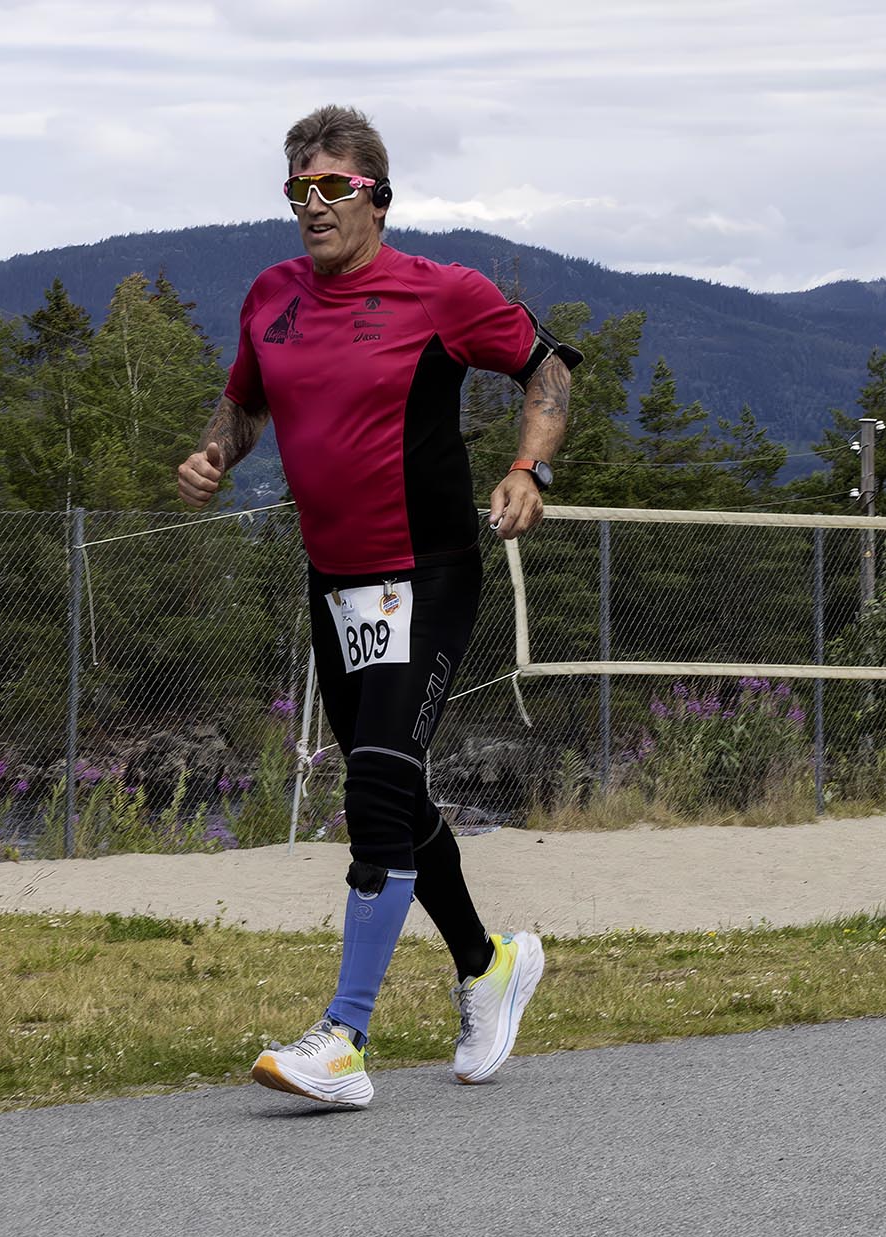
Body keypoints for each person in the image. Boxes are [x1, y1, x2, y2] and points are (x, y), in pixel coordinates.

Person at [176, 105, 578, 1107]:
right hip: (335, 581)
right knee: (390, 789)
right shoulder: (271, 296)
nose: (312, 206)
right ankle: (487, 963)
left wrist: (527, 467)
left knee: (378, 784)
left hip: (427, 572)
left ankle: (344, 1038)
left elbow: (547, 365)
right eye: (298, 189)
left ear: (378, 197)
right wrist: (216, 451)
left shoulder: (442, 293)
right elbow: (247, 400)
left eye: (332, 188)